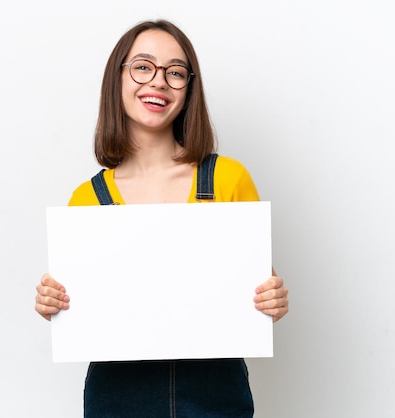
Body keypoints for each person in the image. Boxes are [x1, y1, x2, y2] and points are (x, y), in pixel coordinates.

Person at [35, 19, 289, 417]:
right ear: (117, 78)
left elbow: (256, 301)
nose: (158, 82)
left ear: (189, 89)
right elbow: (80, 311)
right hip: (117, 394)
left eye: (175, 72)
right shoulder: (86, 200)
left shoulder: (228, 179)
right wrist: (55, 302)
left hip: (214, 391)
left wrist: (271, 300)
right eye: (142, 66)